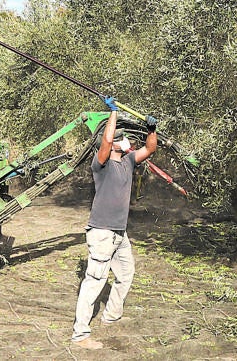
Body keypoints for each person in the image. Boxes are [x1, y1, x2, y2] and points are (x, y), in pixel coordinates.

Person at [71, 96, 157, 350]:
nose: (127, 140)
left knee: (126, 273)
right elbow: (107, 140)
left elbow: (150, 149)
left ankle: (111, 315)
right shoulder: (102, 165)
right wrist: (114, 114)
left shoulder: (129, 162)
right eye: (123, 137)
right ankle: (80, 334)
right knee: (94, 281)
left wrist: (152, 130)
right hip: (101, 233)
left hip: (120, 233)